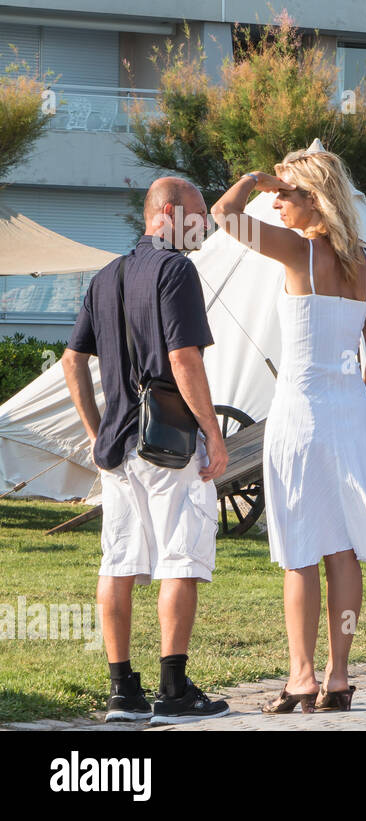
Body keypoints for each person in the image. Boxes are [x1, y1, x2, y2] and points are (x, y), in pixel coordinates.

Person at [212, 146, 366, 714]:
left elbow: (222, 215)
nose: (274, 204)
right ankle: (339, 678)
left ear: (312, 197)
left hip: (299, 415)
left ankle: (301, 678)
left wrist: (250, 178)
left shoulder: (299, 251)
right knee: (343, 552)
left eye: (283, 194)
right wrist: (358, 410)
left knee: (298, 553)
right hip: (350, 419)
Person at [61, 176, 231, 725]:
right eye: (198, 213)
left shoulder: (105, 276)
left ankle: (121, 694)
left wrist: (93, 430)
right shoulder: (176, 269)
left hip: (115, 446)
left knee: (119, 560)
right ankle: (174, 690)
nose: (203, 223)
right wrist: (214, 430)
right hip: (169, 443)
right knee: (180, 556)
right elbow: (184, 359)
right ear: (171, 213)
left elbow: (71, 360)